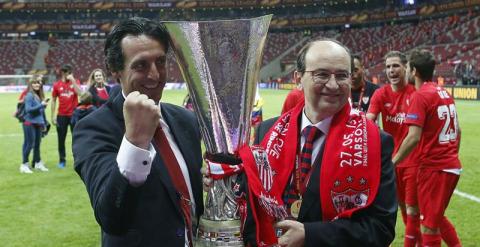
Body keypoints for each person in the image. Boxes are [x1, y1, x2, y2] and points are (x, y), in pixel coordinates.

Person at [237, 39, 397, 246]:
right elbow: (250, 205)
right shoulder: (266, 132)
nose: (333, 85)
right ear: (298, 78)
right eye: (321, 74)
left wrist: (311, 235)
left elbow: (380, 228)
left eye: (342, 76)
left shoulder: (375, 142)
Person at [72, 17, 203, 247]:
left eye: (160, 62)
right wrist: (135, 142)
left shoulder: (186, 119)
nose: (155, 75)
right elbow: (112, 219)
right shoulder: (93, 128)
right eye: (141, 65)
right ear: (115, 71)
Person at [393, 49, 462, 247]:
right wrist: (450, 154)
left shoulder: (420, 96)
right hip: (450, 165)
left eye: (407, 67)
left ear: (413, 71)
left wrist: (394, 161)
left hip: (434, 168)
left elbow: (413, 137)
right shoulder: (444, 93)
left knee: (429, 227)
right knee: (437, 217)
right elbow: (458, 131)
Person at [367, 51, 421, 247]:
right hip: (391, 163)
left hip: (413, 161)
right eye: (388, 67)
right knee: (403, 210)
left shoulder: (416, 93)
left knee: (413, 211)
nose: (391, 70)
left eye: (396, 66)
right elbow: (369, 120)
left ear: (406, 67)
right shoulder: (381, 94)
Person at [51, 64, 82, 168]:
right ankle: (62, 160)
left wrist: (73, 80)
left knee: (76, 138)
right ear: (62, 73)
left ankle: (77, 160)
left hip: (74, 115)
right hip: (61, 116)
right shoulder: (57, 85)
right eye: (66, 72)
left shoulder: (75, 82)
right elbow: (54, 100)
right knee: (61, 139)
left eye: (69, 72)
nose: (68, 74)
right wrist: (53, 116)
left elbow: (80, 93)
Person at [20, 75, 49, 173]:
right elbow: (28, 110)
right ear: (31, 84)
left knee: (37, 145)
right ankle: (24, 164)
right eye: (34, 83)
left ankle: (37, 163)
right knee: (29, 144)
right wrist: (41, 105)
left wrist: (44, 123)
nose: (36, 84)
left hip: (38, 123)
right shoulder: (29, 95)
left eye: (38, 83)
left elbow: (40, 111)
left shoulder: (38, 95)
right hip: (29, 123)